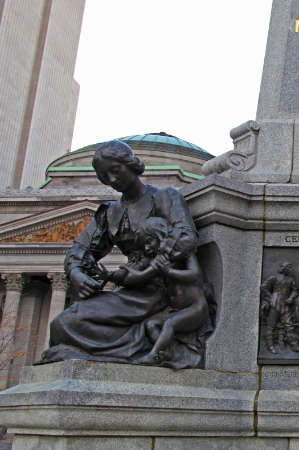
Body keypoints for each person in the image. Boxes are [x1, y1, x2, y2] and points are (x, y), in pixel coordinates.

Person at [41, 140, 213, 368]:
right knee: (62, 324)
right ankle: (116, 353)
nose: (113, 180)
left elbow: (186, 236)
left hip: (161, 291)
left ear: (130, 164)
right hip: (130, 291)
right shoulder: (111, 212)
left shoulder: (164, 197)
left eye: (115, 170)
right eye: (105, 176)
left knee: (66, 325)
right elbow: (80, 250)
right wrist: (77, 274)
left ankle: (128, 350)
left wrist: (151, 267)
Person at [104, 217, 210, 366]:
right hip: (176, 310)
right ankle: (165, 351)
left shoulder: (183, 252)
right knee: (150, 324)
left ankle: (153, 355)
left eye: (148, 242)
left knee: (169, 324)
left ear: (159, 235)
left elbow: (194, 275)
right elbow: (141, 276)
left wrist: (169, 271)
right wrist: (117, 274)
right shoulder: (160, 260)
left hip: (196, 308)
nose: (146, 249)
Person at [260, 262, 299, 354]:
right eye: (289, 267)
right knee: (271, 326)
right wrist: (270, 297)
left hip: (285, 304)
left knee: (289, 325)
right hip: (275, 303)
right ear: (284, 268)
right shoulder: (274, 278)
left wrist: (291, 298)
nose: (290, 269)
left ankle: (294, 345)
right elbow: (263, 287)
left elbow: (295, 290)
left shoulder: (291, 280)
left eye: (291, 267)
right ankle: (270, 346)